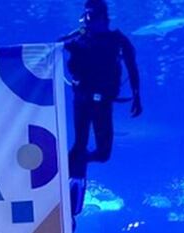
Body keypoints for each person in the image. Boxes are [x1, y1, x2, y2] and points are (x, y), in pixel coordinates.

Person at [63, 0, 141, 220]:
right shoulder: (77, 39)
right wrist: (136, 96)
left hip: (102, 101)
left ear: (103, 18)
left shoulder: (116, 40)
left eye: (92, 16)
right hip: (84, 99)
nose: (89, 20)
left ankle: (74, 167)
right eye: (87, 16)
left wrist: (137, 95)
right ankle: (71, 174)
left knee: (102, 153)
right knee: (80, 144)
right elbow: (49, 51)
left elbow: (131, 66)